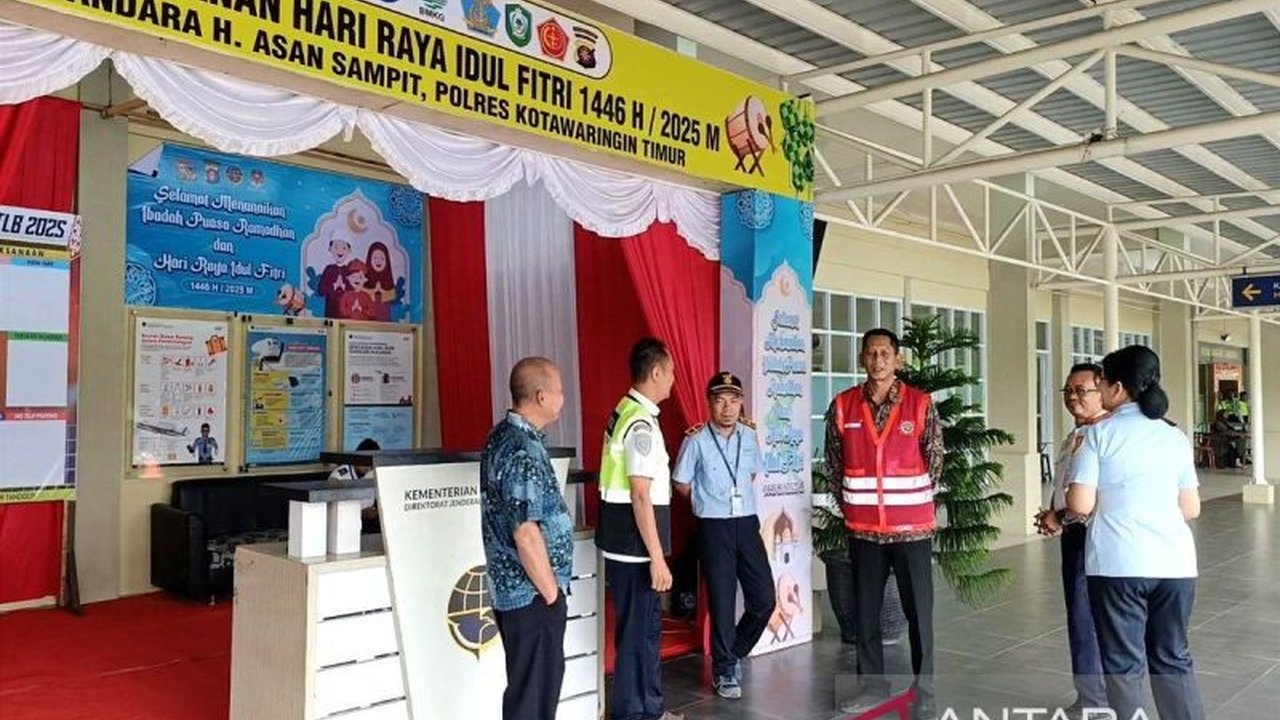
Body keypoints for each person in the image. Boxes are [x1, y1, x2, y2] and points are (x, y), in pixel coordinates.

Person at [1066, 345, 1205, 720]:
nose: (1099, 389)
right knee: (1173, 658)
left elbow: (1080, 504)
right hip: (1175, 565)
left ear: (1117, 387)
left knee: (1122, 664)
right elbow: (1190, 507)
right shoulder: (1174, 436)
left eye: (1101, 383)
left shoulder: (1099, 434)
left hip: (1118, 564)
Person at [825, 328, 943, 720]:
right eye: (871, 353)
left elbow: (935, 460)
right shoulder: (843, 405)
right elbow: (834, 464)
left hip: (911, 530)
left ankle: (924, 690)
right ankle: (872, 687)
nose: (877, 360)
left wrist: (910, 505)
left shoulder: (920, 404)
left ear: (897, 360)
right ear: (862, 359)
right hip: (863, 530)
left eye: (885, 353)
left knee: (918, 612)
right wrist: (853, 506)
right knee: (866, 613)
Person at [480, 357, 574, 720]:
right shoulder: (522, 450)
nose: (563, 398)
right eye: (559, 391)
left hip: (521, 593)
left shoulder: (503, 435)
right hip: (532, 594)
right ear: (541, 396)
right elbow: (525, 531)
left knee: (529, 692)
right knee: (534, 698)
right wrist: (551, 594)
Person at [672, 372, 775, 700]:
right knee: (722, 599)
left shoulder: (749, 435)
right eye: (720, 400)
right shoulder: (697, 440)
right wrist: (705, 502)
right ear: (709, 403)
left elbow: (752, 473)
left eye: (733, 400)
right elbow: (681, 482)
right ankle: (724, 670)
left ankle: (735, 650)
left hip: (746, 523)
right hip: (713, 525)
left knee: (764, 599)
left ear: (741, 402)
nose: (727, 408)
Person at [596, 338, 682, 720]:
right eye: (671, 371)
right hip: (635, 548)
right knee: (636, 634)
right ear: (656, 372)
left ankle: (652, 709)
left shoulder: (625, 410)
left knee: (645, 632)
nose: (674, 379)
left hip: (628, 543)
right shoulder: (640, 423)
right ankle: (632, 713)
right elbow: (640, 494)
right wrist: (657, 558)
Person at [1033, 363, 1108, 718]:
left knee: (1086, 615)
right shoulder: (1076, 434)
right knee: (1080, 614)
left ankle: (1095, 700)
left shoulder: (1104, 435)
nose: (1073, 397)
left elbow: (1095, 498)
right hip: (1074, 530)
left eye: (1082, 390)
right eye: (1069, 391)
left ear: (1103, 392)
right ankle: (1093, 694)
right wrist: (1055, 514)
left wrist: (1060, 517)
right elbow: (1067, 484)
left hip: (1095, 535)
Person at [329, 438, 382, 533]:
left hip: (368, 522)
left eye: (371, 464)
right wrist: (361, 513)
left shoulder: (372, 473)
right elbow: (333, 511)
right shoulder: (339, 477)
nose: (368, 467)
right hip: (345, 524)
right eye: (366, 463)